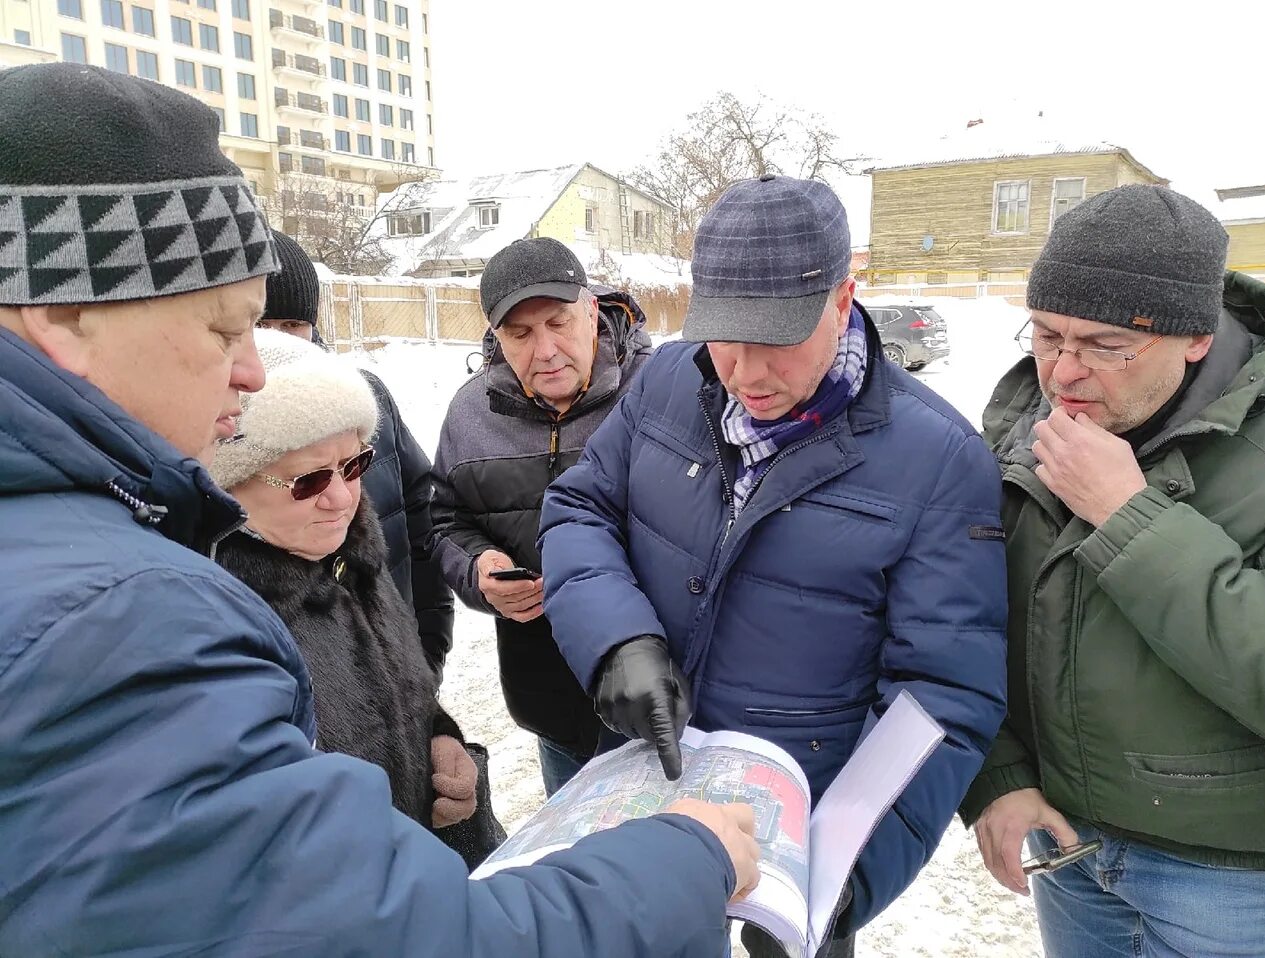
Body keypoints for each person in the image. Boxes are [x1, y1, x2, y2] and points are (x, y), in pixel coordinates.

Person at [0, 62, 761, 957]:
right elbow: (406, 935)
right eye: (222, 329)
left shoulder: (661, 399)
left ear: (596, 316)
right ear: (65, 312)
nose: (251, 371)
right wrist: (688, 860)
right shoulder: (127, 609)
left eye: (354, 467)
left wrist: (433, 720)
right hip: (557, 720)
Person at [538, 173, 1009, 956]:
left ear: (842, 296)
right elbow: (579, 509)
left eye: (778, 341)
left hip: (802, 842)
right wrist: (617, 640)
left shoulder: (940, 460)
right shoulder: (664, 384)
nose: (747, 375)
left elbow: (940, 696)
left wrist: (845, 876)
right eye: (727, 337)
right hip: (651, 801)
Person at [958, 184, 1265, 957]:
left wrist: (1130, 516)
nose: (1064, 372)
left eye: (1105, 345)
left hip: (1235, 883)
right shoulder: (1018, 428)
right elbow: (964, 622)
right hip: (1068, 857)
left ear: (1196, 337)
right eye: (1044, 334)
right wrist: (997, 780)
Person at [210, 329, 503, 867]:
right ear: (230, 482)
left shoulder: (353, 559)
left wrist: (440, 739)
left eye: (354, 466)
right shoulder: (219, 619)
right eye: (308, 481)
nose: (342, 498)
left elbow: (401, 691)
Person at [429, 236, 652, 796]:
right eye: (521, 334)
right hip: (552, 708)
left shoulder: (659, 391)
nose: (546, 350)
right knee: (576, 867)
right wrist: (479, 570)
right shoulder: (469, 413)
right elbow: (443, 521)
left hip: (663, 697)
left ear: (593, 311)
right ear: (496, 337)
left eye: (558, 322)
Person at [256, 229, 454, 673]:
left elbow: (422, 523)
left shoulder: (367, 402)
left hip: (400, 675)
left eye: (292, 325)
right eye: (260, 325)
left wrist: (427, 653)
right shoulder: (216, 432)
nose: (279, 342)